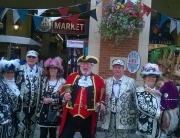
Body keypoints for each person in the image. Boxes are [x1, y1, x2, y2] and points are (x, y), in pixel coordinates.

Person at [58, 55, 105, 138]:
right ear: (80, 65)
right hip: (71, 113)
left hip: (89, 115)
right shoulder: (72, 76)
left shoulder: (99, 80)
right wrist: (65, 96)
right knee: (65, 136)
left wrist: (100, 104)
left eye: (88, 64)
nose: (85, 66)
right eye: (83, 64)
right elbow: (63, 90)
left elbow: (102, 96)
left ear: (92, 66)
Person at [101, 59, 138, 138]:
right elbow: (103, 98)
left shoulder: (131, 82)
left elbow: (136, 100)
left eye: (119, 67)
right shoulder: (107, 82)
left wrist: (136, 116)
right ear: (112, 69)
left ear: (123, 69)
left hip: (124, 117)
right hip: (109, 117)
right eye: (115, 67)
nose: (117, 69)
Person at [14, 50, 45, 138]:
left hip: (34, 107)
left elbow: (43, 87)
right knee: (19, 130)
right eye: (29, 57)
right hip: (21, 106)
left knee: (31, 130)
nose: (31, 58)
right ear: (26, 58)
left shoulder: (41, 71)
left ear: (37, 59)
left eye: (33, 57)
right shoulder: (19, 69)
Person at [36, 57, 66, 138]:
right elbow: (38, 95)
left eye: (55, 69)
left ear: (58, 70)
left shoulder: (62, 82)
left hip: (55, 112)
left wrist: (52, 100)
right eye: (51, 68)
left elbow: (64, 98)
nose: (53, 70)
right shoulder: (43, 80)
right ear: (48, 70)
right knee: (43, 134)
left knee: (52, 134)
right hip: (43, 111)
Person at [135, 63, 162, 138]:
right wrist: (160, 114)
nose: (151, 78)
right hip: (146, 126)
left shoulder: (159, 91)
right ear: (144, 78)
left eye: (153, 76)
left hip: (160, 127)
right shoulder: (140, 90)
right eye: (149, 76)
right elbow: (142, 106)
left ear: (156, 78)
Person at [0, 58, 20, 138]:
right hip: (4, 119)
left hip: (13, 117)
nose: (10, 75)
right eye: (7, 72)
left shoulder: (14, 84)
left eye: (12, 73)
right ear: (3, 73)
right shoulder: (1, 85)